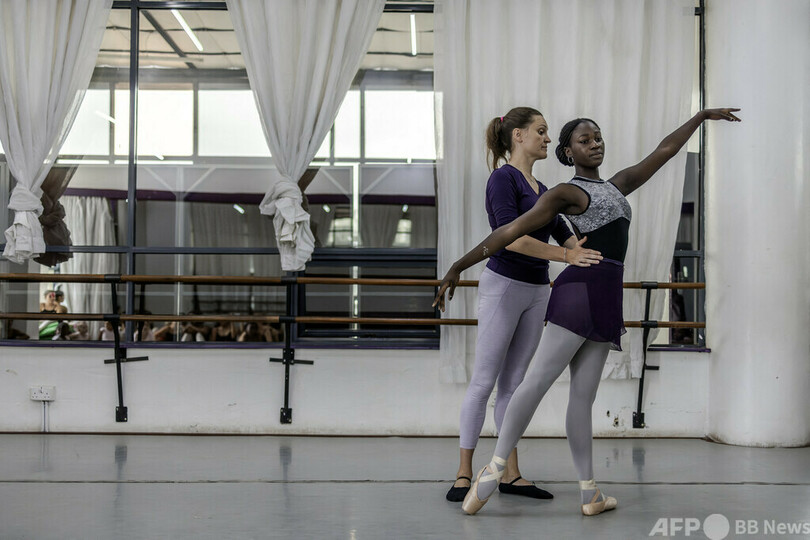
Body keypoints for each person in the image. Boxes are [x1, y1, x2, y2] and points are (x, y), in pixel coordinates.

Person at [434, 108, 741, 516]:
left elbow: (664, 151)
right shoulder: (566, 192)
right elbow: (509, 232)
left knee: (583, 397)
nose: (595, 143)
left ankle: (589, 493)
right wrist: (458, 266)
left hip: (606, 297)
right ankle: (493, 469)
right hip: (578, 292)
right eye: (584, 140)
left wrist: (699, 116)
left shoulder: (617, 186)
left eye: (598, 137)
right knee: (536, 382)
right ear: (568, 152)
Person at [445, 107, 602, 503]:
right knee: (484, 381)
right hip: (504, 286)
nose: (547, 139)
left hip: (536, 290)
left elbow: (561, 229)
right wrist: (566, 256)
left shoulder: (542, 187)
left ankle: (510, 474)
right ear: (517, 135)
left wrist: (581, 248)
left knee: (513, 386)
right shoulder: (503, 178)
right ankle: (464, 473)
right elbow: (510, 238)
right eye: (541, 131)